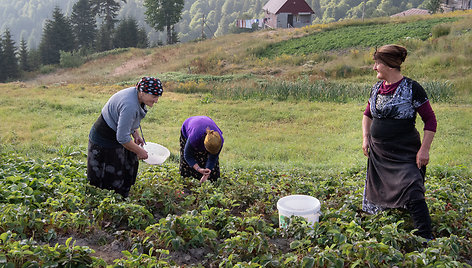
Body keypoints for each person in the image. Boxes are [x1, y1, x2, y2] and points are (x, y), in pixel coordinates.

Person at [362, 45, 437, 240]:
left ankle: (426, 237)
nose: (374, 68)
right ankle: (387, 228)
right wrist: (365, 138)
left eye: (377, 63)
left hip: (404, 152)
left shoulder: (412, 88)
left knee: (412, 188)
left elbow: (430, 120)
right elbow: (367, 114)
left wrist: (424, 150)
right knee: (380, 189)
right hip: (379, 153)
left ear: (389, 65)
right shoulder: (377, 88)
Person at [87, 77, 163, 197]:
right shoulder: (130, 105)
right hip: (104, 139)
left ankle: (123, 196)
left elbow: (126, 122)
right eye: (154, 96)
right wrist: (140, 151)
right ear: (143, 92)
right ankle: (111, 202)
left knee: (128, 165)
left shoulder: (136, 94)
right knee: (110, 177)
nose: (156, 100)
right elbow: (122, 138)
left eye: (158, 96)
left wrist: (135, 134)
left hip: (117, 134)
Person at [179, 116, 224, 183]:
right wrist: (198, 169)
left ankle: (209, 180)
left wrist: (207, 172)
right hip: (191, 126)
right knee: (188, 165)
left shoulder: (218, 140)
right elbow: (187, 155)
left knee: (213, 170)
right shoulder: (194, 138)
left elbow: (213, 157)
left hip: (203, 124)